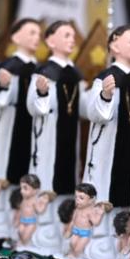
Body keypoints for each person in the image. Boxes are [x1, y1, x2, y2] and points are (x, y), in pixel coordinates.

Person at [82, 24, 130, 207]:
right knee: (103, 193)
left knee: (124, 194)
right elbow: (92, 113)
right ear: (115, 46)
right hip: (106, 147)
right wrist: (105, 96)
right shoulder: (106, 77)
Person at [27, 21, 84, 194]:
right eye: (66, 35)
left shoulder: (75, 73)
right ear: (51, 41)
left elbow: (83, 107)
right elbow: (32, 106)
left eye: (73, 36)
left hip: (71, 134)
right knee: (47, 180)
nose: (72, 40)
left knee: (68, 180)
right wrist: (42, 93)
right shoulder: (44, 72)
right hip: (49, 135)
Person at [0, 18, 41, 181]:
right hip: (9, 125)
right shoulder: (7, 67)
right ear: (16, 38)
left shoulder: (41, 70)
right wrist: (3, 86)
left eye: (38, 34)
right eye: (32, 33)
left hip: (33, 126)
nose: (37, 37)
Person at [60, 183, 110, 259]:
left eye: (81, 198)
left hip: (85, 233)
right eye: (76, 197)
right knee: (72, 243)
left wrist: (100, 214)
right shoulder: (77, 209)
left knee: (79, 247)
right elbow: (73, 220)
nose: (77, 200)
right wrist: (69, 230)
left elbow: (95, 223)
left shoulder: (91, 211)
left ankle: (75, 256)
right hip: (76, 230)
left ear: (91, 199)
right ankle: (71, 254)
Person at [12, 173, 55, 246]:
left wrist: (43, 204)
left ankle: (25, 245)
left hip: (31, 223)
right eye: (21, 188)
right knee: (20, 233)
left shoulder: (35, 201)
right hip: (22, 221)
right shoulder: (23, 199)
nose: (21, 191)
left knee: (26, 237)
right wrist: (17, 217)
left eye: (25, 188)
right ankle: (21, 245)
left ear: (35, 190)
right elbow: (21, 209)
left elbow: (40, 211)